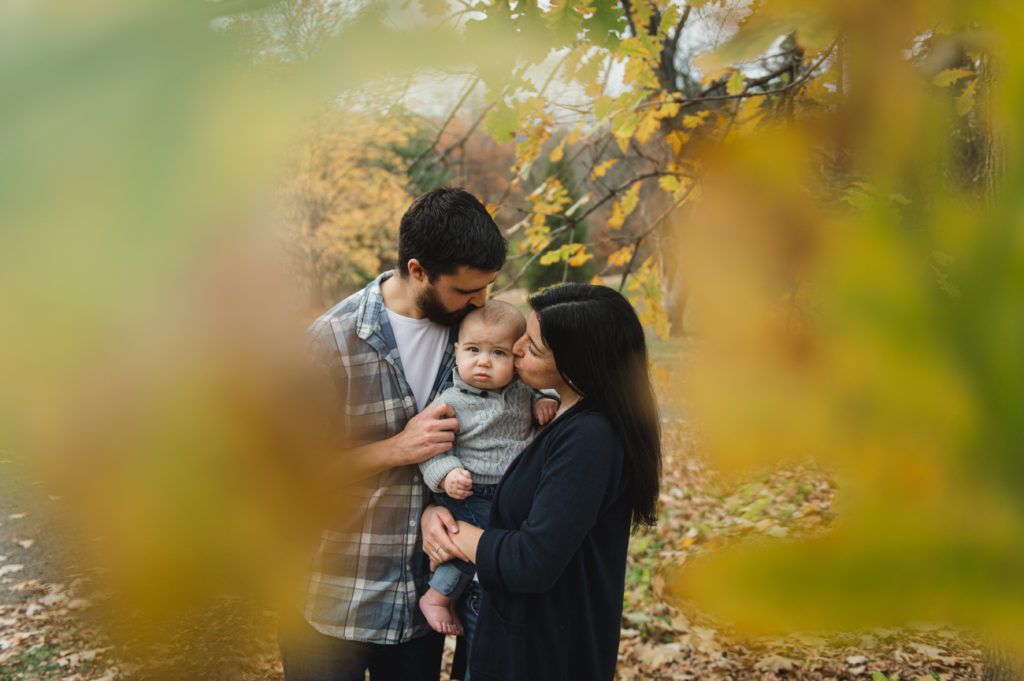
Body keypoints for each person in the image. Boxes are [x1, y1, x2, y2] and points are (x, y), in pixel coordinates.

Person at [279, 187, 509, 681]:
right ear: (417, 270)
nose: (481, 302)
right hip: (329, 603)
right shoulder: (330, 341)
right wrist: (396, 448)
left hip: (419, 611)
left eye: (487, 287)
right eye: (467, 291)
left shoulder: (473, 338)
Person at [421, 283, 662, 681]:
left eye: (530, 347)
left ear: (574, 366)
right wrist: (436, 512)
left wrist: (456, 534)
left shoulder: (591, 439)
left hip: (541, 651)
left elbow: (531, 561)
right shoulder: (558, 416)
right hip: (509, 630)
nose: (514, 349)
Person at [417, 301, 557, 639]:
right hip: (469, 490)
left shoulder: (524, 392)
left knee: (495, 547)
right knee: (484, 546)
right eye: (473, 350)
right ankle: (437, 596)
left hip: (509, 491)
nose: (483, 361)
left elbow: (547, 390)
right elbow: (429, 451)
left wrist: (544, 400)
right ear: (456, 352)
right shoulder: (450, 402)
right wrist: (447, 473)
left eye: (498, 353)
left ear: (516, 358)